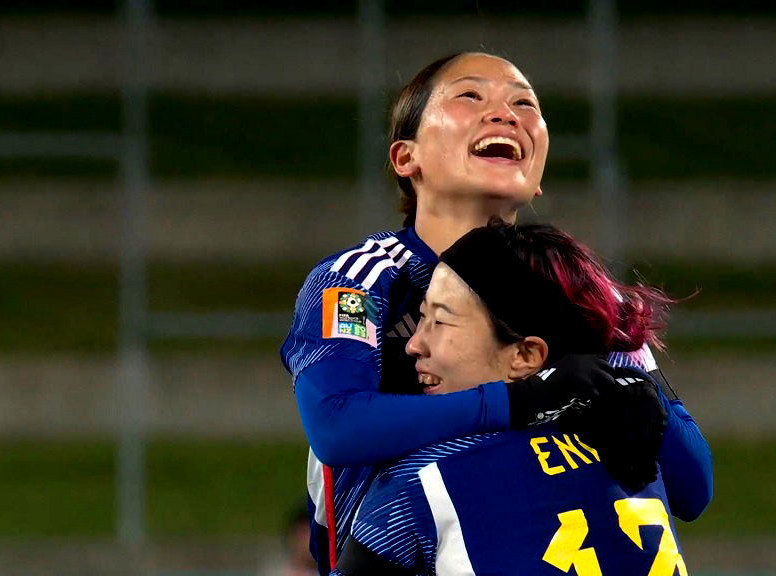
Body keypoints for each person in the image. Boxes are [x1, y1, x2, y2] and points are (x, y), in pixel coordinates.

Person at [280, 51, 712, 573]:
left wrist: (643, 398)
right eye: (469, 95)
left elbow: (693, 489)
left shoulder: (581, 291)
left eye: (524, 103)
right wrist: (526, 399)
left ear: (539, 173)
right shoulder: (360, 281)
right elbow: (337, 426)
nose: (506, 113)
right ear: (405, 158)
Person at [333, 220, 688, 575]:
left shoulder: (423, 482)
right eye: (421, 317)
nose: (413, 344)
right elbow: (696, 489)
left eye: (440, 322)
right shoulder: (636, 451)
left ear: (525, 355)